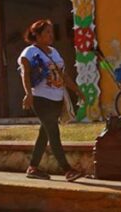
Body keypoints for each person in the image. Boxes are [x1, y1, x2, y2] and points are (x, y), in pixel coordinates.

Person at [19, 19, 83, 181]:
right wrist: (28, 94)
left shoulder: (54, 52)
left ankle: (33, 167)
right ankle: (67, 170)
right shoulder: (29, 52)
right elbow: (25, 74)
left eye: (51, 31)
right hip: (41, 98)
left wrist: (76, 90)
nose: (51, 35)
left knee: (45, 133)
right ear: (37, 35)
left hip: (56, 98)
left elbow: (64, 75)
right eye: (47, 32)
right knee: (53, 132)